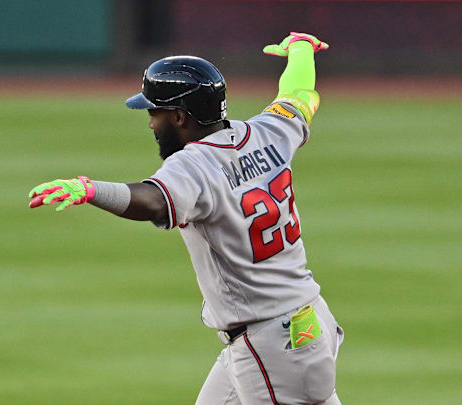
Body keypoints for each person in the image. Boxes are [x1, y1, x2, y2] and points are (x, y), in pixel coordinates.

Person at [28, 32, 344, 405]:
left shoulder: (195, 165)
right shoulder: (269, 131)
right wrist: (302, 48)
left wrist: (91, 189)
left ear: (179, 116)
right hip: (301, 322)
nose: (150, 124)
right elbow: (299, 95)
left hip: (273, 344)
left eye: (153, 113)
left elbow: (154, 201)